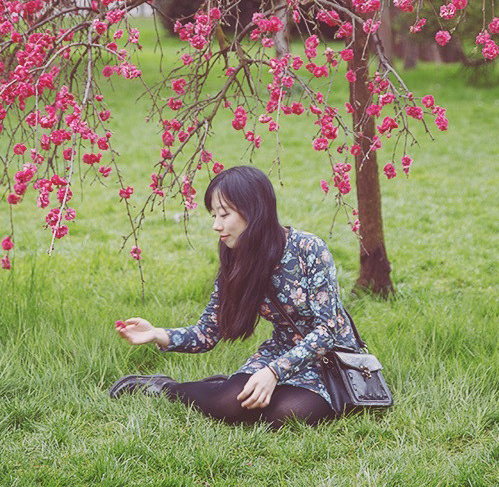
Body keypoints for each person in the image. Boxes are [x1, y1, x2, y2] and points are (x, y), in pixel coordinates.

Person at [110, 165, 359, 429]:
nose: (216, 225)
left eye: (224, 214)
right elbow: (207, 333)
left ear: (254, 211)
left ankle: (233, 387)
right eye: (214, 215)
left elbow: (326, 331)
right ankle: (164, 387)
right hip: (280, 350)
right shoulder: (236, 258)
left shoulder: (309, 249)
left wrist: (273, 373)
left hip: (328, 360)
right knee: (229, 402)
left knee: (287, 413)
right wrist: (156, 334)